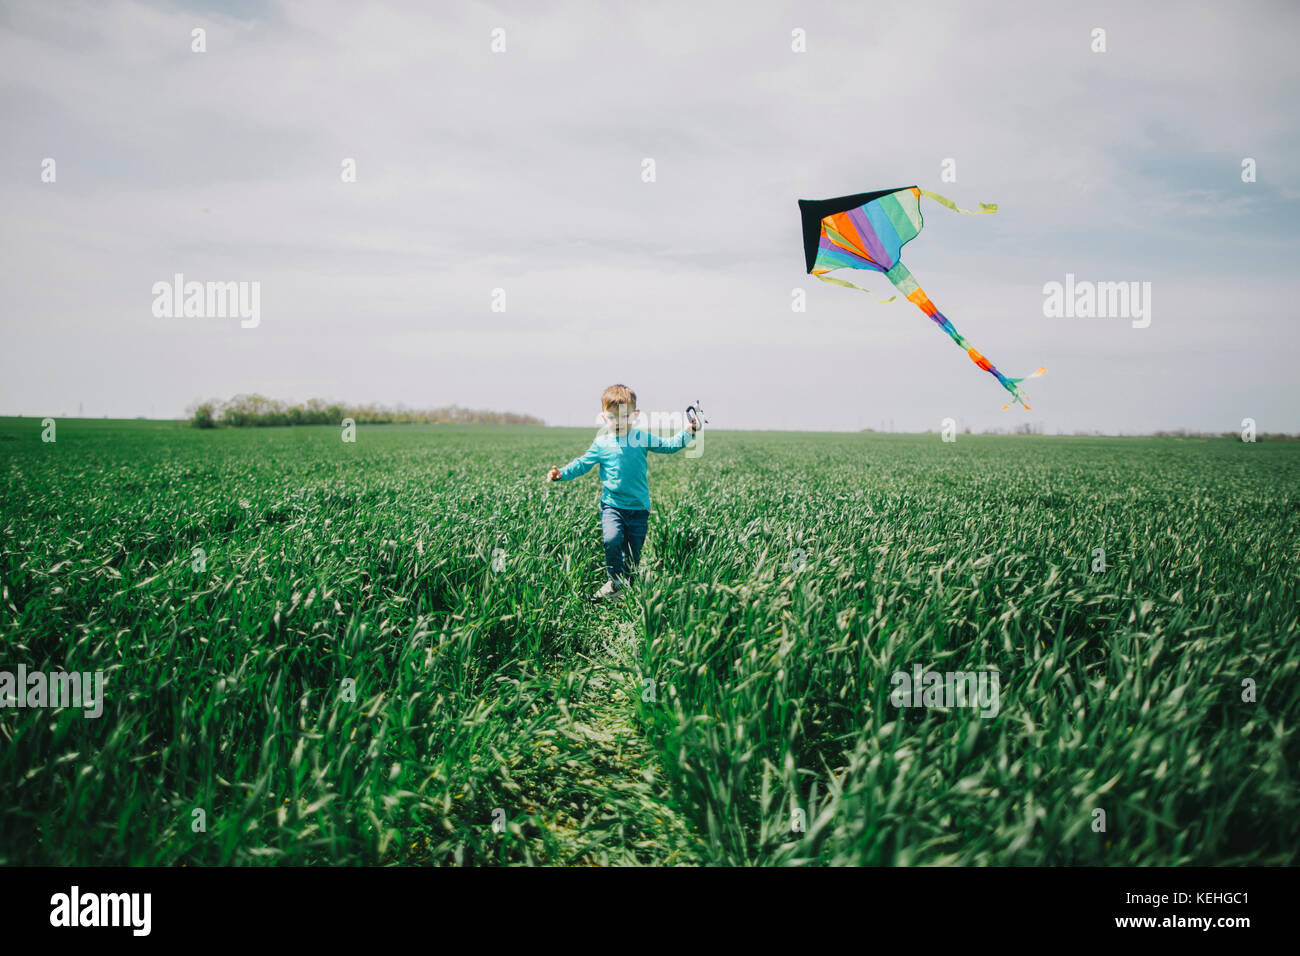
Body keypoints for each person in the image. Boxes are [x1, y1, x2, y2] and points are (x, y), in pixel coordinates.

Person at [547, 384, 698, 600]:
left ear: (635, 416)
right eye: (612, 417)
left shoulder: (642, 438)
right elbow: (582, 464)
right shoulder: (601, 443)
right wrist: (561, 473)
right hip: (612, 506)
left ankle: (628, 588)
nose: (618, 422)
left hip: (639, 508)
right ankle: (614, 581)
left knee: (633, 554)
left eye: (624, 416)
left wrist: (689, 431)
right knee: (612, 539)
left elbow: (669, 445)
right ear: (603, 417)